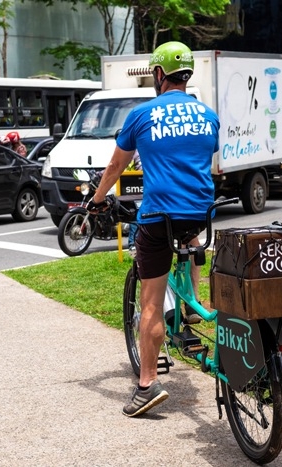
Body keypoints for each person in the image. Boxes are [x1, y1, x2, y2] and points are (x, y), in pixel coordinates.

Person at [87, 41, 220, 417]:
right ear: (187, 75)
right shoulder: (209, 117)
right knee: (192, 239)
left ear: (159, 75)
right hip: (199, 212)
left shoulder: (141, 114)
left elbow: (115, 169)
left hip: (158, 216)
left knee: (149, 305)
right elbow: (199, 158)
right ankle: (193, 303)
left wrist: (97, 200)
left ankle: (147, 385)